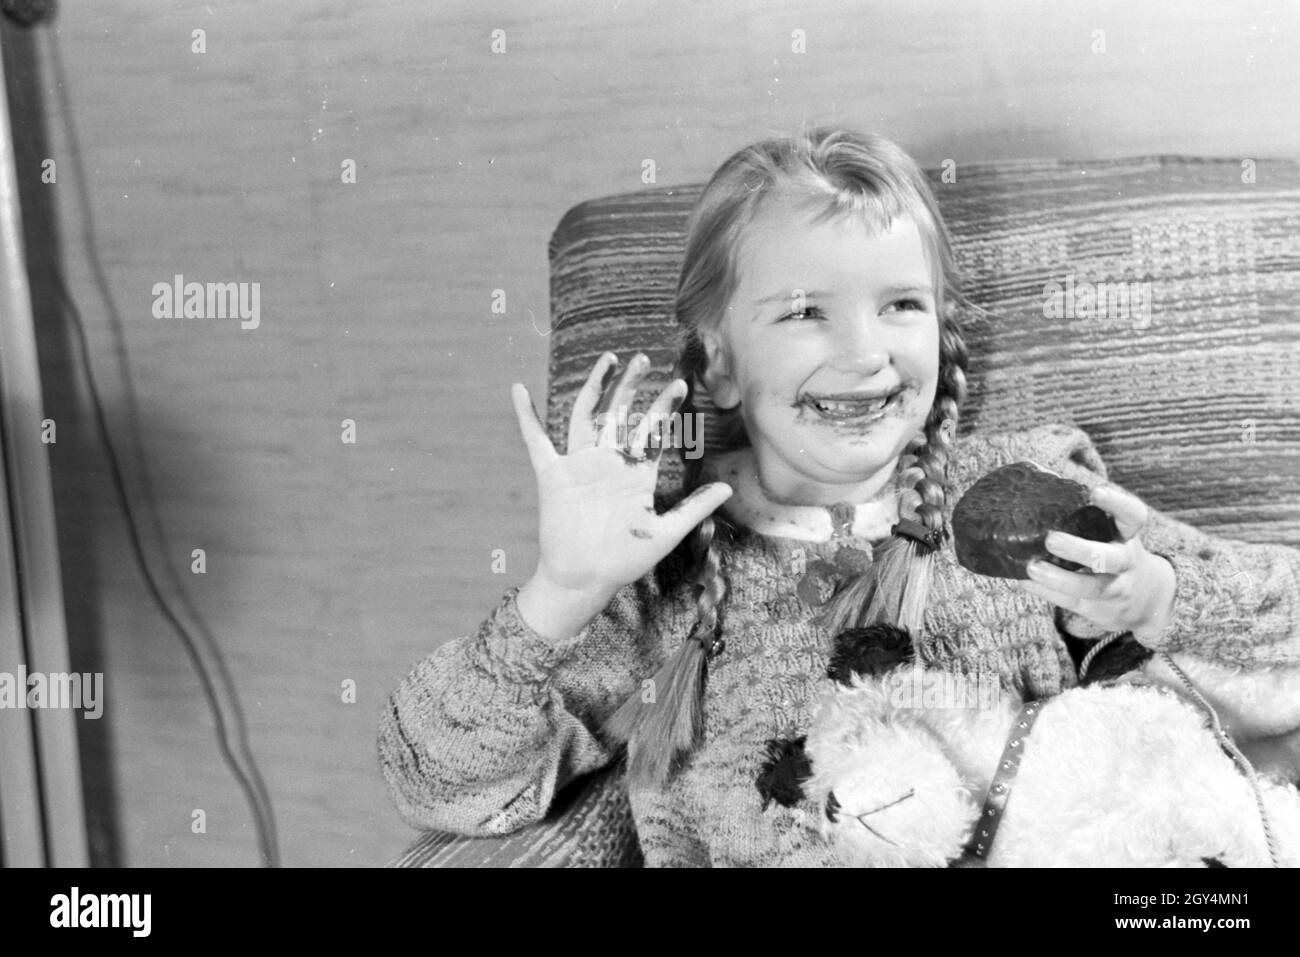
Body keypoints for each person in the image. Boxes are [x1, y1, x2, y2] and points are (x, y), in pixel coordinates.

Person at [378, 127, 1300, 867]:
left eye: (901, 305)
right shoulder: (658, 553)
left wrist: (1159, 598)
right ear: (720, 363)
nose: (864, 352)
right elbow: (443, 783)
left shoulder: (1025, 490)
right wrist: (559, 595)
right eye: (804, 310)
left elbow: (1284, 624)